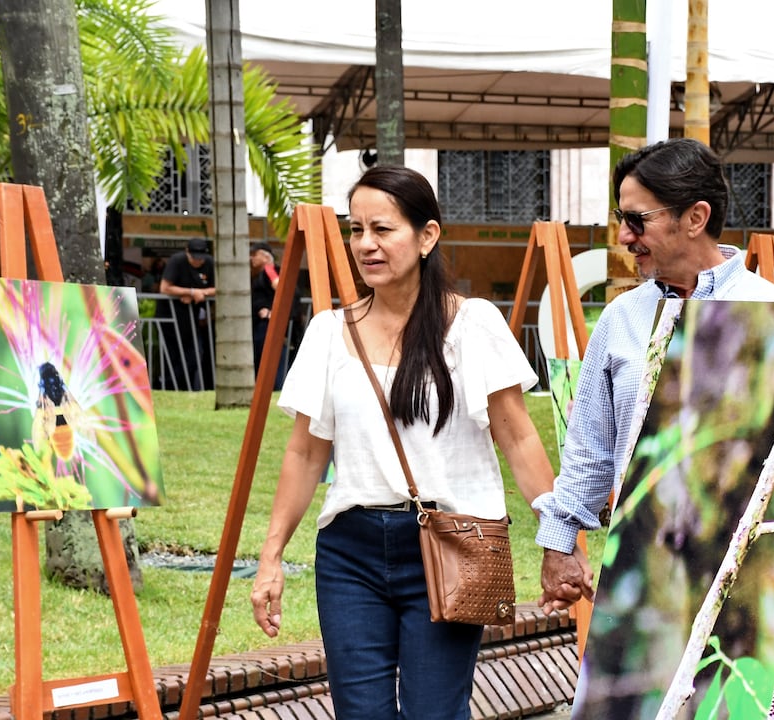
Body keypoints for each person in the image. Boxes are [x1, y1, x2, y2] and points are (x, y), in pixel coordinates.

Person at [249, 165, 562, 719]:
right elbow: (304, 452)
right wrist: (271, 555)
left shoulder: (473, 326)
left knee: (433, 714)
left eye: (382, 230)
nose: (365, 244)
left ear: (427, 236)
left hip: (450, 545)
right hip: (351, 550)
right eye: (356, 229)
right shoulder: (329, 332)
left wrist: (558, 540)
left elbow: (517, 436)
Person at [532, 138, 774, 611]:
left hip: (759, 572)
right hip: (652, 574)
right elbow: (590, 444)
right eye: (621, 220)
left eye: (638, 221)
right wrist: (558, 541)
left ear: (695, 218)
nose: (624, 238)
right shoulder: (622, 318)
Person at [159, 237, 216, 390]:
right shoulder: (177, 261)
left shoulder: (210, 263)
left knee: (195, 355)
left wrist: (199, 293)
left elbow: (218, 288)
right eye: (194, 258)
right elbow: (165, 288)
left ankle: (186, 387)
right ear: (187, 252)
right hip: (171, 316)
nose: (198, 262)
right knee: (173, 356)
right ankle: (171, 387)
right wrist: (189, 292)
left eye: (200, 259)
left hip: (193, 319)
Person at [250, 241, 286, 390]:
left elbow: (279, 286)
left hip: (267, 324)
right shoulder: (258, 275)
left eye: (254, 255)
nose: (251, 259)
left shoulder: (269, 269)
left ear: (265, 257)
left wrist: (273, 311)